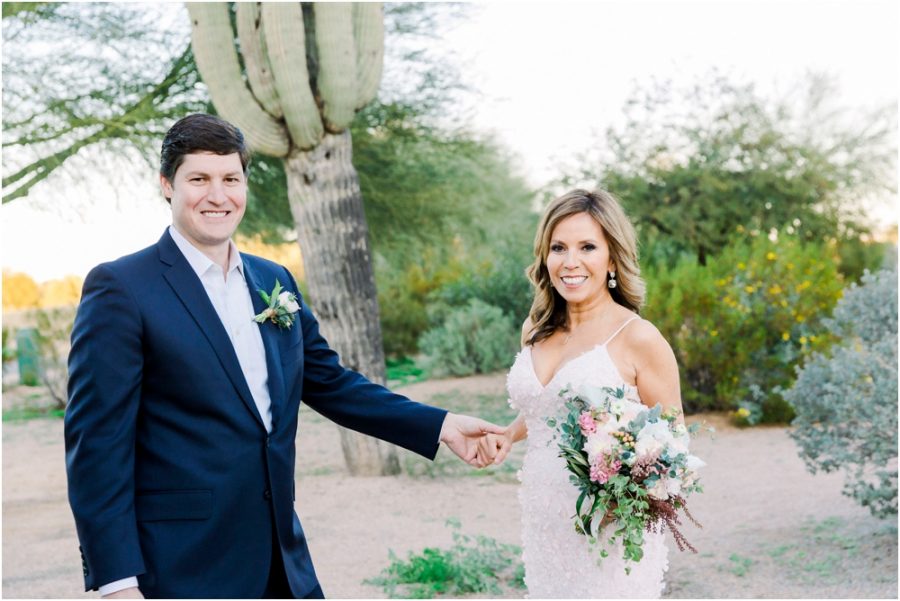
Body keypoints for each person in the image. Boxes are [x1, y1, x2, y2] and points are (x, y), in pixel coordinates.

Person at [64, 113, 504, 599]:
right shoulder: (122, 288)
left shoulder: (274, 281)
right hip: (179, 568)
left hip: (282, 561)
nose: (218, 195)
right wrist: (117, 583)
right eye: (199, 179)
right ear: (167, 185)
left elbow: (332, 384)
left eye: (231, 178)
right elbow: (97, 446)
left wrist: (439, 424)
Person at [477, 189, 683, 598]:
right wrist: (508, 433)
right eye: (558, 247)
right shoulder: (536, 330)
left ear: (611, 257)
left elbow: (672, 443)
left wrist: (622, 501)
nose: (570, 262)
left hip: (607, 529)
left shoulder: (638, 338)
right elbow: (548, 409)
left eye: (587, 246)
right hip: (545, 521)